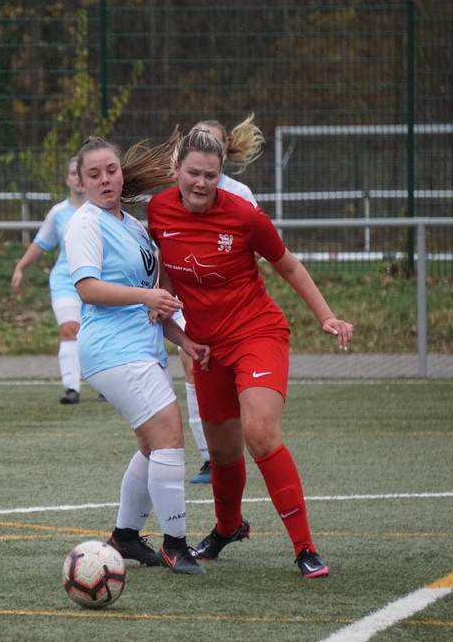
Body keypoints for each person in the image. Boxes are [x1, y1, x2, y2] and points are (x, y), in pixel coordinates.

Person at [144, 126, 353, 579]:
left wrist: (327, 316)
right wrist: (166, 309)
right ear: (176, 170)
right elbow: (169, 268)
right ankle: (228, 528)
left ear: (221, 175)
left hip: (257, 333)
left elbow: (288, 265)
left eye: (211, 175)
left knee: (260, 433)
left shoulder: (244, 216)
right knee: (222, 454)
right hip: (207, 347)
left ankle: (305, 548)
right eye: (194, 173)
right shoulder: (158, 210)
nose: (201, 183)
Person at [63, 134, 210, 575]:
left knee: (151, 446)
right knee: (169, 438)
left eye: (111, 170)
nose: (105, 180)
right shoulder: (85, 224)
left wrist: (184, 340)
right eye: (94, 174)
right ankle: (175, 545)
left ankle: (125, 537)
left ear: (121, 174)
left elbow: (152, 304)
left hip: (141, 347)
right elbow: (88, 288)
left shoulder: (132, 225)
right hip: (113, 350)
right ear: (81, 182)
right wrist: (147, 296)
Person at [173, 115, 265, 485]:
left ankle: (236, 449)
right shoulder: (176, 192)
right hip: (189, 301)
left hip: (231, 307)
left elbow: (260, 250)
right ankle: (209, 458)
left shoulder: (240, 195)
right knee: (191, 361)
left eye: (212, 142)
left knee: (230, 378)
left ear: (223, 152)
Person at [12, 157, 87, 404]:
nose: (78, 178)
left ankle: (104, 384)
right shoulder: (58, 213)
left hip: (97, 282)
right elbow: (40, 243)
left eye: (83, 173)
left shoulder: (102, 210)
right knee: (69, 330)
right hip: (66, 282)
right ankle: (72, 388)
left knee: (93, 334)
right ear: (67, 180)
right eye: (73, 173)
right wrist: (21, 266)